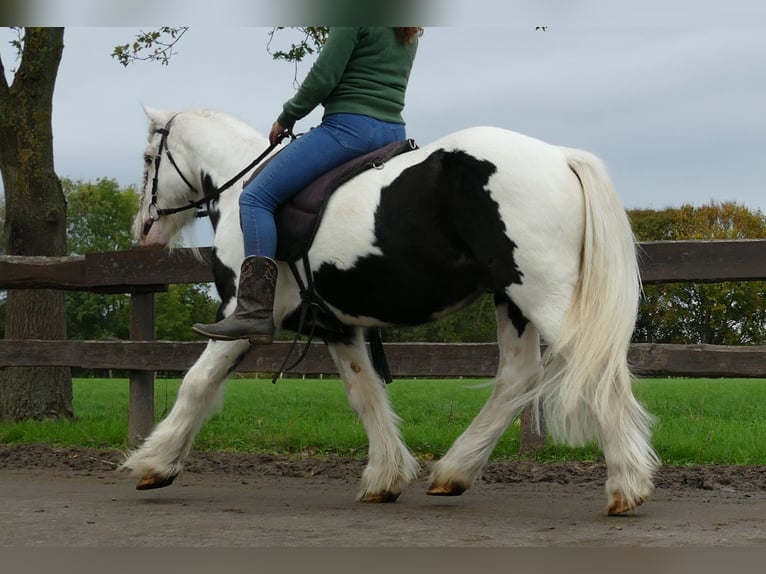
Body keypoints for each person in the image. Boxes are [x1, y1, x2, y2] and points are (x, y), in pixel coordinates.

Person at [193, 27, 421, 343]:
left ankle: (254, 311)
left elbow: (323, 77)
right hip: (393, 134)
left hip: (348, 129)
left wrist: (287, 116)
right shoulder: (407, 26)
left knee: (255, 197)